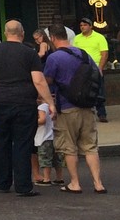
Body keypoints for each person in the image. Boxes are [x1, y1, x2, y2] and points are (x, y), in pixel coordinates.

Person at [0, 20, 55, 197]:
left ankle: (1, 183)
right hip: (23, 102)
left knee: (1, 142)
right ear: (22, 33)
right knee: (23, 143)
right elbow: (38, 80)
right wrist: (49, 102)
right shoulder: (29, 53)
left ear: (5, 33)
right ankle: (23, 185)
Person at [41, 25, 107, 194]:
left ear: (53, 38)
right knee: (90, 146)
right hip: (87, 105)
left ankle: (75, 183)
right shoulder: (83, 53)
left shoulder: (54, 58)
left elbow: (46, 79)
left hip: (66, 106)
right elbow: (96, 74)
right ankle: (98, 183)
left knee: (69, 147)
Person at [75, 16, 111, 122]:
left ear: (91, 26)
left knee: (99, 91)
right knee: (83, 91)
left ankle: (102, 114)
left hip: (95, 67)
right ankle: (86, 114)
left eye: (85, 25)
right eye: (81, 25)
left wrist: (100, 68)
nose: (82, 27)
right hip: (82, 67)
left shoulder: (99, 37)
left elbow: (104, 53)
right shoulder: (77, 38)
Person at [32, 100, 62, 186]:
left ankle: (46, 178)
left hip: (44, 138)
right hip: (52, 136)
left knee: (45, 159)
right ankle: (59, 178)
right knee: (56, 159)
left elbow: (42, 120)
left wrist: (31, 121)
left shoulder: (41, 107)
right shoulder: (51, 106)